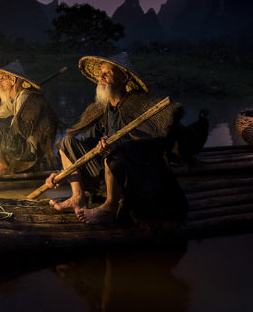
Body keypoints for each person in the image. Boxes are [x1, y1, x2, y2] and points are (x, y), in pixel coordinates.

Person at [46, 53, 188, 225]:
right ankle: (78, 197)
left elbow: (152, 142)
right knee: (67, 143)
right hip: (107, 168)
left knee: (113, 153)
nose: (101, 76)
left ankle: (109, 208)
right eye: (100, 73)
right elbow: (87, 143)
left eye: (107, 73)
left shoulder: (137, 105)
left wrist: (118, 145)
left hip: (134, 170)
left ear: (124, 78)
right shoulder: (103, 109)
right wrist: (62, 173)